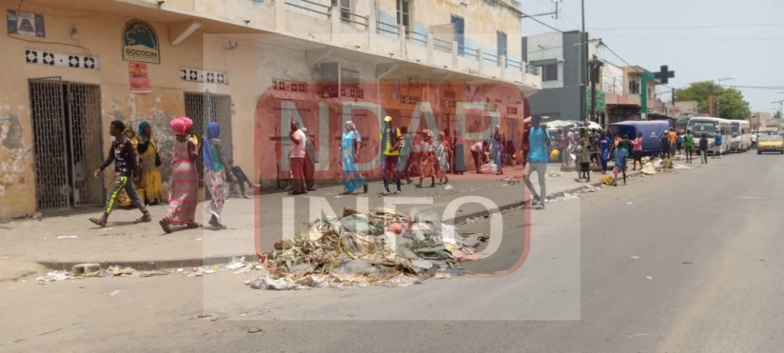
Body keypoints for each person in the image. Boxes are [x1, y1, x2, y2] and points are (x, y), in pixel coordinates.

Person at [88, 121, 152, 227]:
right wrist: (100, 168)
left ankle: (104, 218)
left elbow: (132, 159)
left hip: (124, 174)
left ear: (117, 130)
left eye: (112, 128)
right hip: (121, 173)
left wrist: (135, 173)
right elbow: (110, 158)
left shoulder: (126, 143)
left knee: (112, 195)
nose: (110, 130)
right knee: (133, 195)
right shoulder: (115, 143)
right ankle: (146, 214)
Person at [160, 117, 201, 233]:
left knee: (178, 195)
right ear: (187, 128)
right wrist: (201, 145)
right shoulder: (190, 141)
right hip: (187, 169)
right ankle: (175, 218)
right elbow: (192, 156)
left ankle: (178, 218)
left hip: (177, 168)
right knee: (189, 196)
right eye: (191, 125)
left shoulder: (176, 139)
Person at [202, 122, 233, 230]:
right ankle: (215, 220)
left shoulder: (206, 142)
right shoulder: (217, 142)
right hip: (217, 170)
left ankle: (214, 219)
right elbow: (222, 158)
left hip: (208, 171)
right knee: (220, 196)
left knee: (216, 196)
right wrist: (231, 173)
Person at [523, 115, 551, 210]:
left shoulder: (544, 130)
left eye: (533, 121)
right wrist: (528, 157)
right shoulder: (531, 130)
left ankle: (542, 202)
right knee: (524, 176)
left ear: (538, 121)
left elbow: (548, 143)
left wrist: (544, 131)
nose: (532, 123)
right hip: (531, 159)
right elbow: (531, 144)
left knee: (541, 182)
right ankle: (535, 195)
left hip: (541, 160)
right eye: (531, 121)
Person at [135, 121, 164, 205]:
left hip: (153, 162)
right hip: (146, 163)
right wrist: (147, 140)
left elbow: (155, 149)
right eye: (146, 127)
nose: (149, 129)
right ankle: (148, 199)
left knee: (155, 179)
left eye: (149, 127)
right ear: (142, 129)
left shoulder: (153, 138)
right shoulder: (139, 138)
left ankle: (155, 198)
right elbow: (141, 149)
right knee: (147, 180)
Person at [340, 121, 368, 194]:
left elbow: (358, 143)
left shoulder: (355, 133)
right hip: (344, 155)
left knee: (352, 170)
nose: (347, 127)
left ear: (351, 126)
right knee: (347, 171)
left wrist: (357, 153)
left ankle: (353, 187)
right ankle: (351, 187)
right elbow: (342, 144)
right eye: (346, 125)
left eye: (348, 125)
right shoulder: (343, 134)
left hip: (351, 154)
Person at [380, 116, 402, 194]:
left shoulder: (395, 130)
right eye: (385, 122)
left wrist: (394, 148)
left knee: (397, 171)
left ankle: (398, 188)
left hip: (394, 153)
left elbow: (399, 140)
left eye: (387, 122)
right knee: (384, 170)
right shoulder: (382, 131)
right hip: (386, 154)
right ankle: (386, 188)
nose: (386, 123)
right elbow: (382, 142)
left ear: (390, 122)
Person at [289, 120, 307, 195]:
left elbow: (297, 141)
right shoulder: (302, 133)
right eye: (291, 125)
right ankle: (303, 188)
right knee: (300, 172)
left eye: (293, 125)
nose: (291, 126)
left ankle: (297, 189)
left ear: (297, 125)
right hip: (301, 155)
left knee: (296, 173)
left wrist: (291, 137)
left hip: (296, 155)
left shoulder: (297, 133)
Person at [301, 127, 317, 191]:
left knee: (307, 171)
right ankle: (309, 185)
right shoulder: (310, 139)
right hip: (307, 157)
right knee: (308, 172)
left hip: (307, 157)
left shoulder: (307, 139)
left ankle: (308, 186)